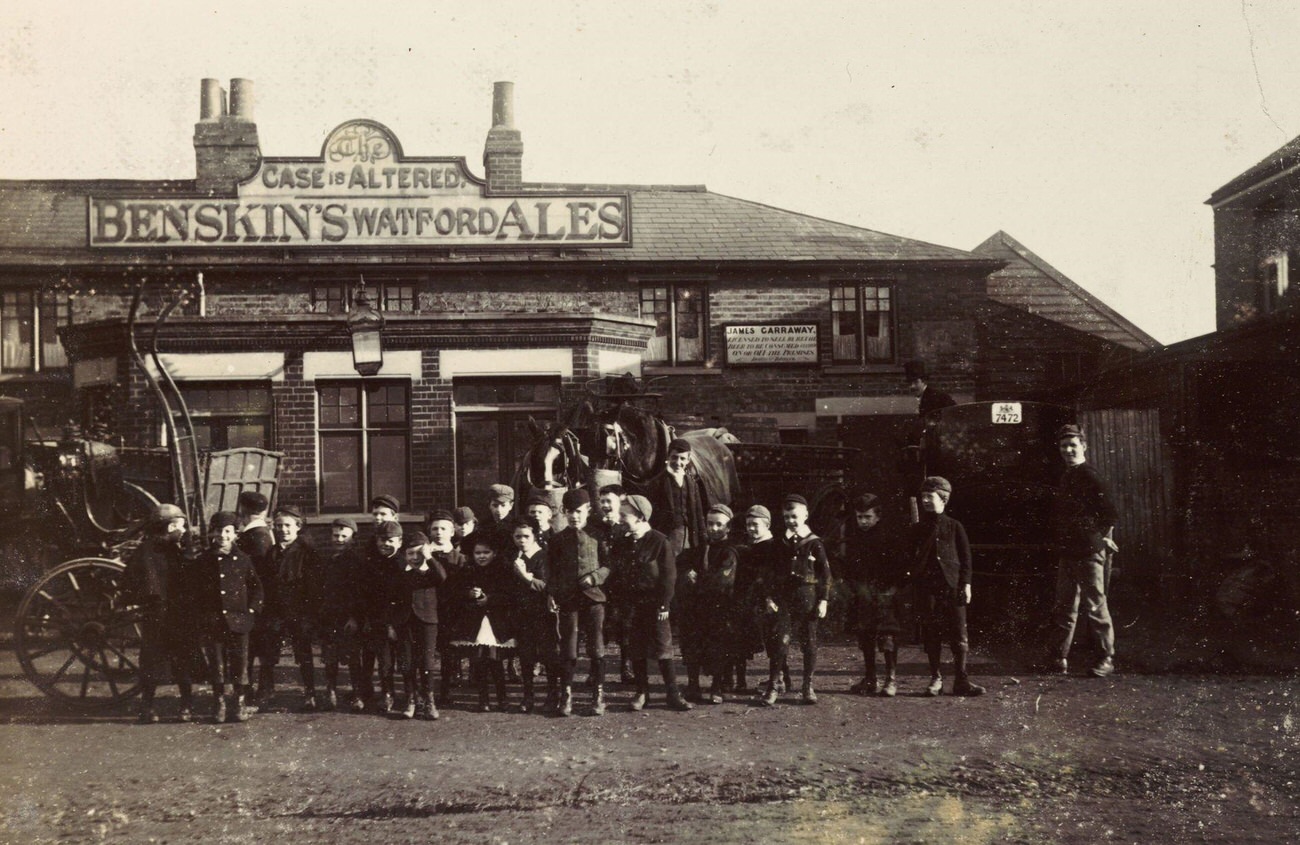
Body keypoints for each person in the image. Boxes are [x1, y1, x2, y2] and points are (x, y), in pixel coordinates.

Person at [1047, 424, 1120, 678]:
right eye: (1063, 446)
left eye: (1073, 445)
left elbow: (1110, 513)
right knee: (1064, 606)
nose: (1068, 450)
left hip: (1088, 551)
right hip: (1069, 550)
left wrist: (1098, 538)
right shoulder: (1067, 475)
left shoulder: (1090, 475)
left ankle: (1106, 658)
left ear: (1084, 447)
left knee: (1095, 606)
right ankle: (1059, 658)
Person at [907, 476, 984, 697]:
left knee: (959, 635)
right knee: (932, 633)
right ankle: (936, 678)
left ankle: (962, 679)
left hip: (953, 587)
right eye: (923, 497)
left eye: (929, 497)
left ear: (943, 499)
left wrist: (966, 584)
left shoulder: (954, 526)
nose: (925, 501)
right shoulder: (918, 529)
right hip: (927, 589)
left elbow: (966, 559)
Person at [615, 494, 692, 712]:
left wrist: (663, 606)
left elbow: (669, 577)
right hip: (632, 605)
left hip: (655, 605)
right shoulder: (623, 542)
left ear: (639, 517)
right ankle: (642, 693)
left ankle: (673, 694)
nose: (620, 519)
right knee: (636, 649)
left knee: (663, 649)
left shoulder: (659, 541)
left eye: (624, 515)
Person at [121, 503, 197, 723]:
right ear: (171, 527)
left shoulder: (156, 549)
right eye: (181, 527)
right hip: (164, 615)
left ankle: (150, 708)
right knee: (173, 660)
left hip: (162, 615)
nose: (183, 531)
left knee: (155, 661)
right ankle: (183, 707)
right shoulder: (164, 550)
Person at [759, 494, 831, 706]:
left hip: (807, 599)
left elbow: (826, 574)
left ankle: (807, 686)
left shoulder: (814, 543)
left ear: (805, 515)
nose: (791, 520)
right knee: (780, 642)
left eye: (795, 516)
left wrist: (823, 600)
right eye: (787, 516)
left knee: (808, 643)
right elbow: (769, 573)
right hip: (784, 600)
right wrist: (768, 597)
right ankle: (774, 686)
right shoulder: (780, 543)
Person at [548, 488, 612, 716]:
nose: (574, 516)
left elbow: (608, 565)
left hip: (594, 598)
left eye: (578, 511)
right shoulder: (557, 540)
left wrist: (595, 578)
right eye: (569, 512)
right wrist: (553, 594)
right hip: (568, 600)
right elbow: (552, 572)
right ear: (564, 513)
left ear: (588, 510)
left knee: (596, 647)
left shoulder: (598, 535)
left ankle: (598, 695)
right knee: (569, 648)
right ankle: (566, 696)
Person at [197, 511, 263, 723]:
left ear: (235, 534)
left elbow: (257, 588)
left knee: (239, 663)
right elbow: (193, 591)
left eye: (227, 531)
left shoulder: (243, 560)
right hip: (214, 622)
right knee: (216, 663)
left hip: (239, 622)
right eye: (218, 531)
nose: (223, 536)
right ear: (211, 533)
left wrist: (251, 611)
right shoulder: (204, 560)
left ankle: (239, 702)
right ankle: (219, 703)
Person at [839, 493, 904, 697]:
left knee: (887, 637)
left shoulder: (888, 538)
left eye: (867, 517)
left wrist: (892, 589)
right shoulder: (854, 539)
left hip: (884, 594)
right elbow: (848, 565)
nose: (863, 521)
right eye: (859, 517)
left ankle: (890, 679)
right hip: (863, 593)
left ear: (877, 516)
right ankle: (870, 678)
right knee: (865, 635)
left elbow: (900, 567)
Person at [677, 503, 740, 704]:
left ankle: (717, 687)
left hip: (719, 607)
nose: (713, 529)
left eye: (719, 525)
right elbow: (682, 565)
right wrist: (687, 573)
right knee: (692, 644)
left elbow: (722, 580)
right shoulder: (698, 549)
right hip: (697, 607)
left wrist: (699, 579)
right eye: (710, 524)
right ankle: (693, 685)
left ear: (728, 528)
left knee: (718, 646)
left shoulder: (729, 552)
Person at [258, 505, 317, 710]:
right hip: (276, 611)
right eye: (279, 525)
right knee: (269, 653)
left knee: (303, 654)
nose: (283, 530)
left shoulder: (307, 553)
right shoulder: (272, 553)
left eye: (288, 525)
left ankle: (310, 693)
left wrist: (308, 615)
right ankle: (267, 691)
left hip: (299, 611)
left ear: (298, 527)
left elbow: (312, 587)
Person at [447, 536, 515, 711]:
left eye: (486, 552)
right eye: (478, 553)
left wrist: (489, 599)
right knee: (479, 660)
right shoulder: (467, 571)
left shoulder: (502, 571)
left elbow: (509, 595)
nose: (482, 556)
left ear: (494, 553)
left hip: (494, 621)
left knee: (495, 660)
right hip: (475, 622)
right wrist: (470, 594)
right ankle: (483, 699)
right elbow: (455, 593)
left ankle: (502, 698)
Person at [508, 519, 559, 713]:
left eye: (526, 536)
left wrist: (525, 576)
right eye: (517, 536)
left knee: (548, 654)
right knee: (526, 655)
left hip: (542, 613)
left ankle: (552, 694)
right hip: (522, 613)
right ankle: (528, 696)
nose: (521, 540)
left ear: (535, 536)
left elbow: (545, 586)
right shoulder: (514, 557)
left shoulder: (543, 557)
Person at [314, 517, 365, 711]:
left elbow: (359, 592)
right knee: (330, 657)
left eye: (344, 536)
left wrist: (354, 617)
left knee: (353, 658)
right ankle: (331, 691)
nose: (339, 539)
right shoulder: (327, 561)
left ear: (353, 538)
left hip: (349, 618)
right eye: (336, 535)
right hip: (330, 617)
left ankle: (357, 694)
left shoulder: (357, 562)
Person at [403, 523, 451, 720]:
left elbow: (443, 577)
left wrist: (429, 556)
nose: (414, 558)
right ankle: (412, 699)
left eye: (418, 553)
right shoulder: (402, 573)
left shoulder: (432, 572)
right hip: (405, 622)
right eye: (410, 554)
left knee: (427, 661)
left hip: (428, 621)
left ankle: (429, 699)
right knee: (407, 662)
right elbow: (392, 599)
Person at [359, 520, 407, 714]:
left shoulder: (404, 563)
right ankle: (388, 693)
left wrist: (395, 623)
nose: (385, 544)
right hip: (378, 619)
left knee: (405, 660)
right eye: (381, 540)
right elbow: (366, 594)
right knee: (385, 660)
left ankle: (411, 694)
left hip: (401, 620)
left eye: (390, 540)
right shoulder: (372, 564)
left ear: (400, 542)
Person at [591, 483, 636, 685]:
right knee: (598, 626)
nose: (605, 505)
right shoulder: (594, 525)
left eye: (609, 501)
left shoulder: (627, 525)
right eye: (602, 501)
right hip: (601, 585)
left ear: (621, 500)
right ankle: (596, 670)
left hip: (623, 584)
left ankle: (626, 667)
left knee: (626, 626)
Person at [733, 505, 777, 695]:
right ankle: (740, 681)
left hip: (765, 599)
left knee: (772, 640)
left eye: (755, 525)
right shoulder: (746, 546)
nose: (751, 528)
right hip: (746, 599)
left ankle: (780, 678)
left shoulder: (773, 546)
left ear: (767, 525)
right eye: (748, 524)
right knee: (741, 640)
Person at [237, 490, 274, 696]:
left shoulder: (256, 536)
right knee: (258, 645)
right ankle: (260, 687)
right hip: (259, 600)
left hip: (254, 600)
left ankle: (258, 688)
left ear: (244, 511)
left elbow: (257, 574)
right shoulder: (262, 532)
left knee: (253, 645)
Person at [645, 438, 707, 557]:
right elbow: (651, 517)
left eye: (682, 458)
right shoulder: (656, 483)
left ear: (688, 460)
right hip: (667, 538)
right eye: (674, 457)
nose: (678, 462)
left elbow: (699, 513)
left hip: (689, 538)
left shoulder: (692, 484)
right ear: (668, 457)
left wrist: (702, 539)